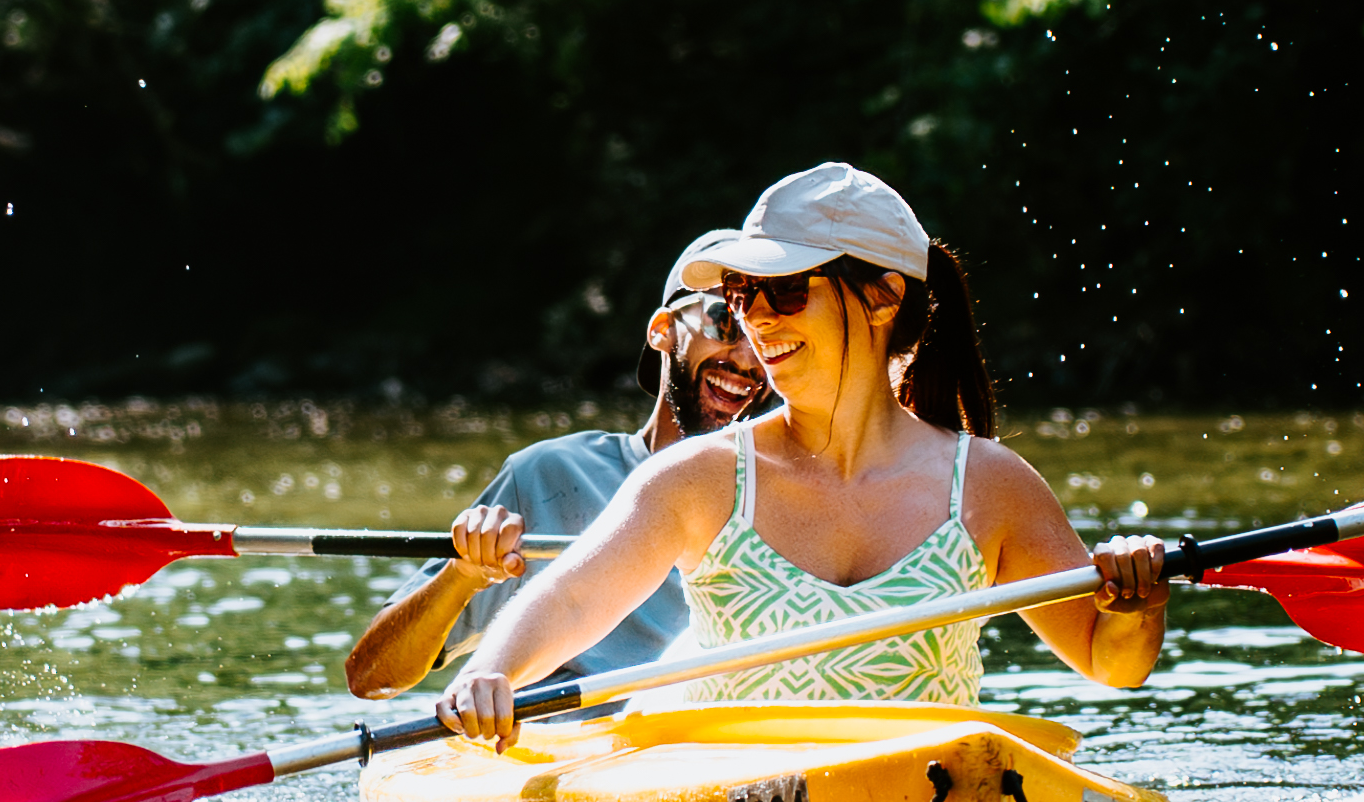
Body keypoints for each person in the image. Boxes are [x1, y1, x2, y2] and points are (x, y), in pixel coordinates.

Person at [441, 163, 1172, 745]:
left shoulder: (989, 486)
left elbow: (1111, 662)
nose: (754, 318)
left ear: (884, 296)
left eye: (785, 291)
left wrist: (1136, 604)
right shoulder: (695, 480)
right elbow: (569, 596)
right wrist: (489, 673)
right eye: (740, 292)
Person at [416, 240, 771, 679]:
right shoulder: (549, 474)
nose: (746, 359)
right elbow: (376, 677)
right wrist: (462, 575)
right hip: (557, 738)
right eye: (724, 324)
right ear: (662, 329)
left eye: (765, 338)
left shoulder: (787, 499)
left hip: (698, 737)